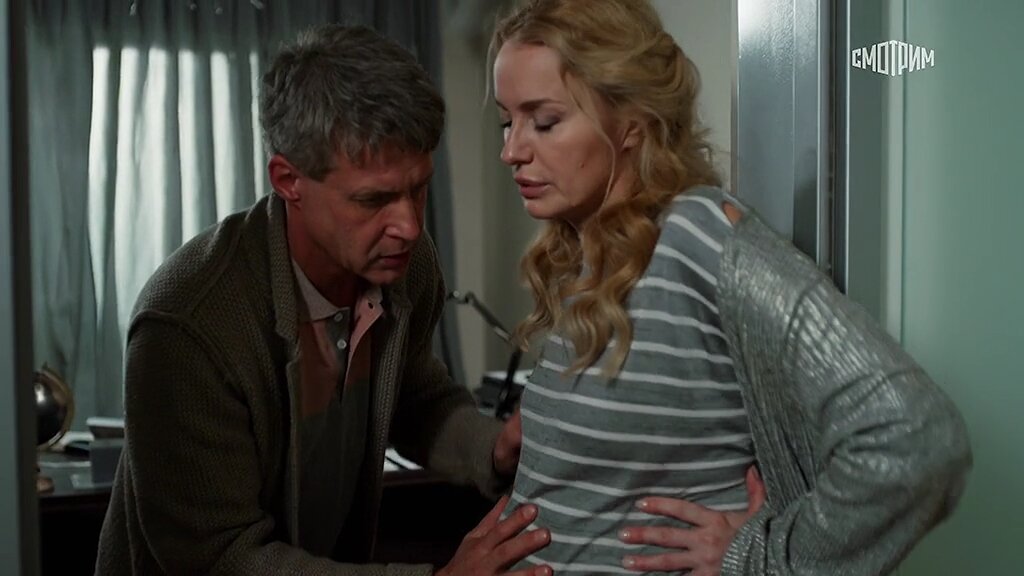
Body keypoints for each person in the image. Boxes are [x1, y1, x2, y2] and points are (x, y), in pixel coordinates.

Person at [490, 0, 972, 574]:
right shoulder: (589, 255)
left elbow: (916, 437)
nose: (511, 151)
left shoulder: (695, 235)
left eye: (544, 122)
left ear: (632, 123)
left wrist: (760, 559)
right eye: (507, 121)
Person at [95, 24, 552, 576]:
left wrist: (493, 447)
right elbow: (218, 557)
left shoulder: (404, 265)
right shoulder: (186, 323)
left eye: (418, 188)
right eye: (373, 200)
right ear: (288, 180)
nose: (409, 226)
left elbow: (411, 396)